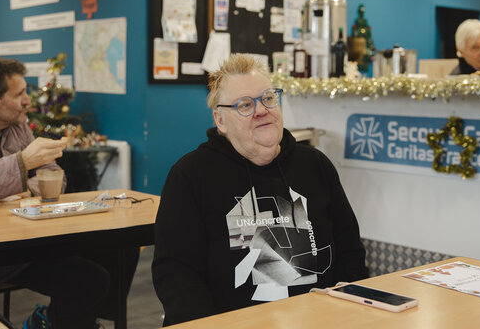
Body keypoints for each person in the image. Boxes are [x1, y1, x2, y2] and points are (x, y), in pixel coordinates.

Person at [152, 54, 369, 325]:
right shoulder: (190, 176)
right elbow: (176, 273)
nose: (261, 110)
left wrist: (350, 312)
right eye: (245, 105)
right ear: (220, 120)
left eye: (268, 98)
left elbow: (350, 251)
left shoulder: (315, 165)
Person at [0, 57, 136, 329]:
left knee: (121, 249)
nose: (28, 101)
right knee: (89, 279)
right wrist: (23, 164)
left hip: (30, 239)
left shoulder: (18, 127)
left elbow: (54, 176)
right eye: (19, 94)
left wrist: (22, 184)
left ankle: (67, 321)